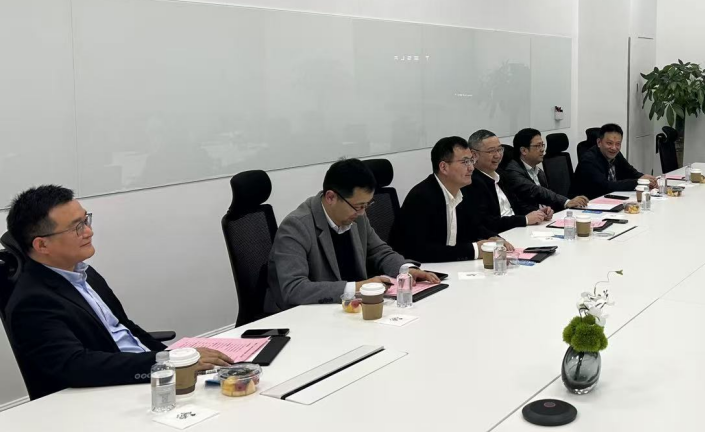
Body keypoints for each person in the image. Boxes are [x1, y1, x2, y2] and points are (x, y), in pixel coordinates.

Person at [3, 185, 232, 400]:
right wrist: (168, 362)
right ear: (42, 245)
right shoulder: (32, 302)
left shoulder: (83, 273)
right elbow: (77, 366)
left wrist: (179, 358)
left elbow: (125, 327)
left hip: (150, 375)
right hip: (110, 393)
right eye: (77, 227)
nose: (89, 232)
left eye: (86, 220)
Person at [268, 158, 438, 310]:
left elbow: (379, 251)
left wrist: (405, 270)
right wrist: (357, 288)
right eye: (358, 206)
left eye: (366, 205)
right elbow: (294, 289)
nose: (362, 213)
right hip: (305, 316)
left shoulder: (357, 217)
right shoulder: (296, 226)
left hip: (351, 310)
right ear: (330, 197)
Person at [391, 137, 507, 262]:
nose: (471, 168)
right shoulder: (421, 197)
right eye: (465, 162)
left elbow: (474, 227)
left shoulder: (463, 191)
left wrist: (493, 237)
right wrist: (475, 250)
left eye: (471, 161)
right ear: (444, 167)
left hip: (449, 265)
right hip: (419, 268)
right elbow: (418, 250)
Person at [464, 130, 549, 234]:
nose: (498, 155)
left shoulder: (501, 174)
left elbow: (517, 204)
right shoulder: (471, 182)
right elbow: (487, 223)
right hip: (498, 236)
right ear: (474, 155)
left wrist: (537, 212)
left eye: (499, 149)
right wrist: (525, 219)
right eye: (491, 151)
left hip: (518, 230)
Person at [500, 128, 588, 214]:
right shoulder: (512, 171)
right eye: (538, 146)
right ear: (524, 150)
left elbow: (547, 199)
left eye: (542, 145)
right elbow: (536, 191)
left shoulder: (539, 171)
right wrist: (566, 202)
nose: (542, 149)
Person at [573, 123, 657, 199]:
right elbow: (605, 187)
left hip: (609, 200)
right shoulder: (588, 160)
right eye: (609, 143)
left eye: (618, 144)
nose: (614, 148)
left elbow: (631, 172)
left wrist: (647, 180)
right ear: (599, 142)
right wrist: (638, 182)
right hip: (587, 204)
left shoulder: (616, 154)